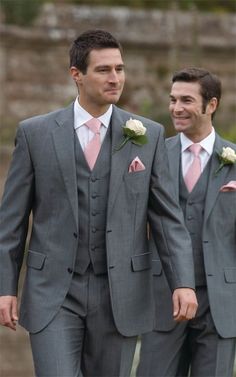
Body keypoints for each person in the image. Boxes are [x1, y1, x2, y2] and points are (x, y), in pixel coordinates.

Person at [0, 30, 198, 377]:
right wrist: (4, 288)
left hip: (121, 295)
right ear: (76, 74)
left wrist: (183, 281)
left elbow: (168, 219)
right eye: (104, 70)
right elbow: (11, 222)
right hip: (53, 294)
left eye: (119, 69)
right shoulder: (36, 134)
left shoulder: (148, 135)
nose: (115, 79)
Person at [138, 67, 236, 377]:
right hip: (162, 296)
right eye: (173, 100)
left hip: (220, 302)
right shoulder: (151, 157)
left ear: (212, 105)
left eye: (187, 101)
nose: (176, 108)